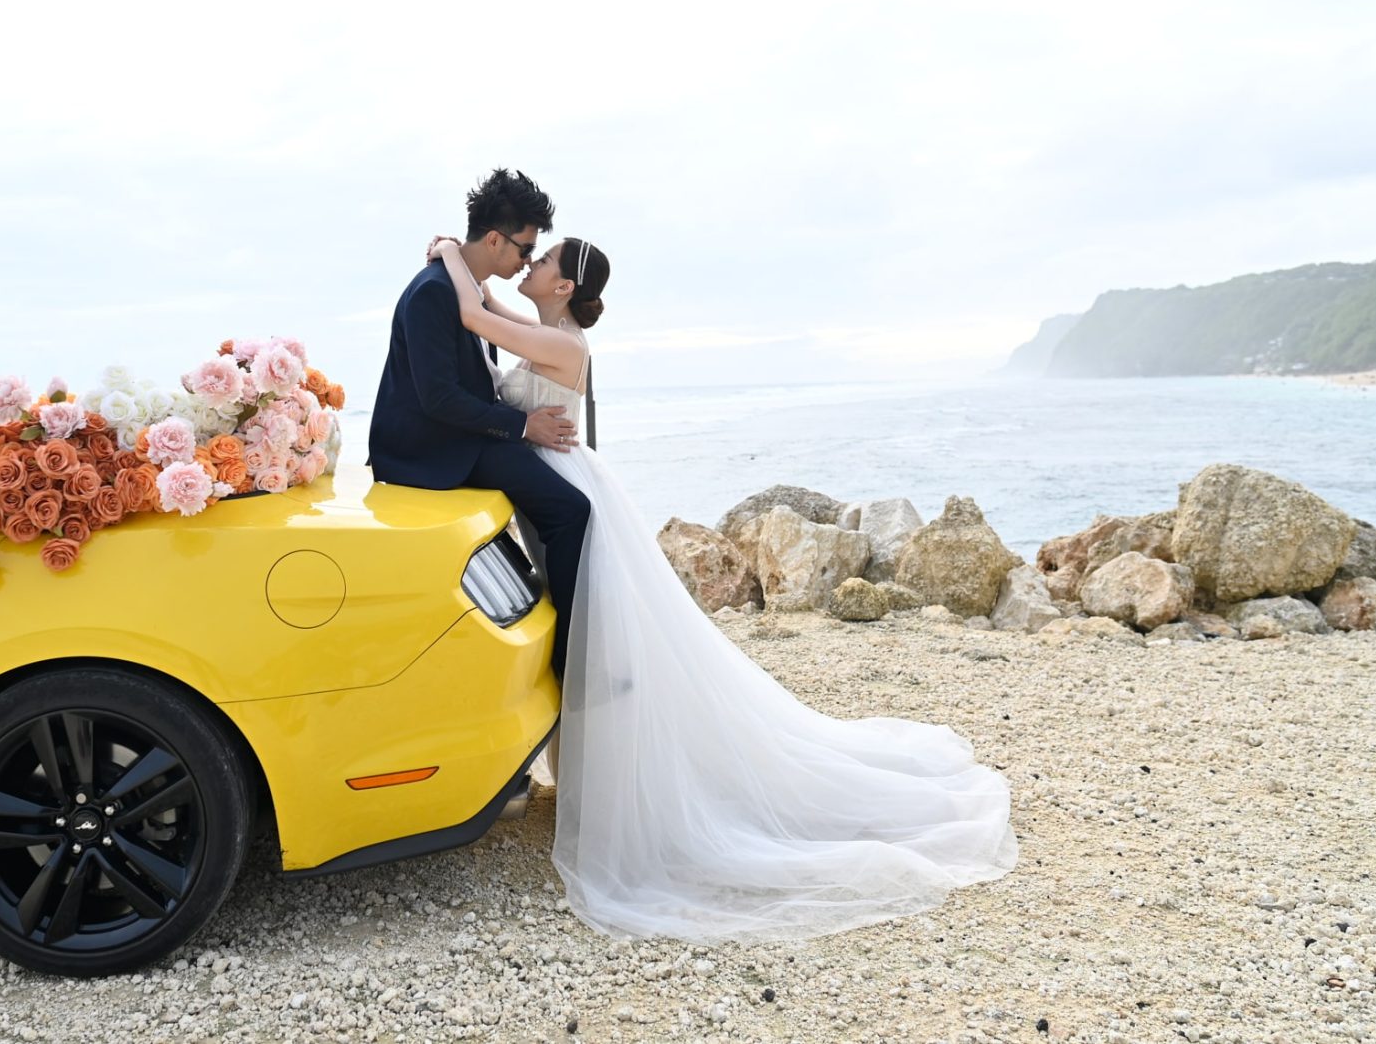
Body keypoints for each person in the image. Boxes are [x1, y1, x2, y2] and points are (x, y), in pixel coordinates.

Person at [427, 233, 1019, 943]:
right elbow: (489, 308)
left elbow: (474, 315)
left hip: (567, 495)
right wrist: (470, 268)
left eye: (544, 259)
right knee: (591, 641)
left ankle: (636, 788)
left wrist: (450, 253)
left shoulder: (564, 343)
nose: (532, 262)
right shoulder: (550, 330)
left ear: (563, 287)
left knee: (600, 643)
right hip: (557, 489)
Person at [367, 170, 591, 678]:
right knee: (571, 511)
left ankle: (562, 633)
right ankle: (568, 658)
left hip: (463, 432)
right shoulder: (434, 291)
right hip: (432, 445)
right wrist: (523, 426)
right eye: (525, 249)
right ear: (494, 240)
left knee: (568, 505)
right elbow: (438, 397)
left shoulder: (465, 286)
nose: (527, 261)